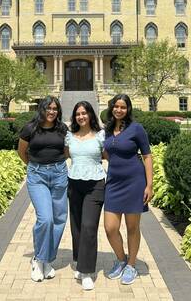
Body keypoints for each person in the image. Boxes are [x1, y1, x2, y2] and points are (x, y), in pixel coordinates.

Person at [103, 94, 153, 285]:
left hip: (134, 182)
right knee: (110, 228)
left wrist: (149, 185)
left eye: (123, 107)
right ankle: (121, 259)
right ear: (112, 108)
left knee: (132, 227)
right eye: (116, 106)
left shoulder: (136, 128)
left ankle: (131, 265)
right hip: (114, 183)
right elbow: (107, 153)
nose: (119, 110)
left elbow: (147, 156)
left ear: (128, 109)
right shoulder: (107, 130)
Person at [18, 96, 68, 282]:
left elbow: (66, 151)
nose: (52, 111)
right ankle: (38, 259)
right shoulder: (30, 128)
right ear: (42, 109)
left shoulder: (62, 129)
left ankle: (47, 259)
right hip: (37, 176)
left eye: (55, 108)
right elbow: (22, 152)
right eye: (48, 108)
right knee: (45, 219)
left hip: (59, 174)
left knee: (59, 219)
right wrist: (34, 166)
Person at [64, 101, 105, 291]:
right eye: (78, 114)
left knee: (89, 226)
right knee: (77, 227)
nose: (81, 116)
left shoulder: (100, 136)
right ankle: (80, 261)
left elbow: (109, 156)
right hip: (74, 183)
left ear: (91, 115)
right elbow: (63, 155)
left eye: (84, 113)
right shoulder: (69, 137)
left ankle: (87, 271)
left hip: (95, 184)